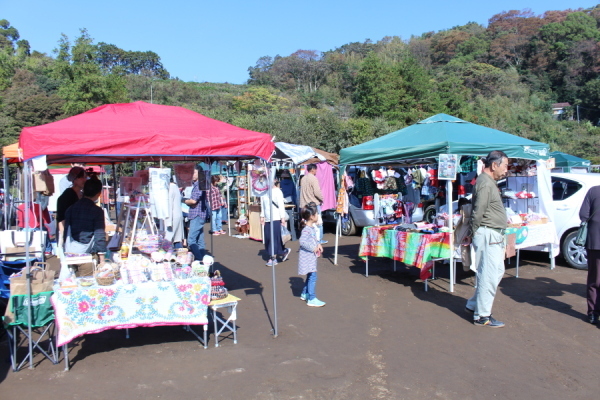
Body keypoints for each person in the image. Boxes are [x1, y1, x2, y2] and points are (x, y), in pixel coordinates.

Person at [464, 150, 509, 328]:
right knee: (489, 274)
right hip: (488, 233)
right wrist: (474, 232)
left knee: (495, 272)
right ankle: (482, 316)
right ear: (494, 165)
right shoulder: (485, 183)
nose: (507, 169)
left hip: (492, 234)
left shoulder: (488, 182)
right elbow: (478, 211)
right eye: (505, 165)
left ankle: (474, 304)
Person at [62, 177, 106, 264]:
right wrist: (102, 259)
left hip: (70, 253)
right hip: (88, 255)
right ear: (98, 194)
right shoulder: (97, 211)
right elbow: (99, 234)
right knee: (86, 277)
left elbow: (66, 232)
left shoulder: (71, 209)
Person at [579, 185, 600, 324]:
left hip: (595, 241)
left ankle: (593, 313)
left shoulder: (593, 191)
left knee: (595, 278)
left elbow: (583, 215)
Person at [298, 204, 325, 307]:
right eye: (317, 213)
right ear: (312, 216)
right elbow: (302, 242)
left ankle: (304, 293)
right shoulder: (306, 229)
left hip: (310, 258)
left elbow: (314, 239)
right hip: (307, 258)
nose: (318, 215)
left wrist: (318, 244)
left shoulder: (311, 228)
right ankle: (312, 298)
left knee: (310, 275)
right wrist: (313, 248)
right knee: (313, 276)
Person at [260, 178, 291, 266]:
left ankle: (273, 258)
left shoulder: (278, 191)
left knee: (274, 238)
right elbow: (263, 205)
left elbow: (281, 205)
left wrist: (282, 218)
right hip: (267, 218)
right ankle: (283, 251)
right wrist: (262, 216)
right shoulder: (264, 192)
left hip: (276, 218)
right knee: (268, 238)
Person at [56, 166, 87, 247]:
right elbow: (61, 218)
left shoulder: (81, 194)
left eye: (85, 177)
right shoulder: (67, 196)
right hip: (70, 234)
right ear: (75, 179)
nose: (85, 180)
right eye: (82, 177)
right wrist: (63, 237)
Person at [184, 167, 209, 261]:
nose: (192, 175)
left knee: (191, 240)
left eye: (194, 172)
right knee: (200, 240)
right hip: (198, 214)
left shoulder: (199, 185)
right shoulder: (198, 184)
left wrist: (183, 200)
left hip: (197, 214)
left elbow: (193, 201)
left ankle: (199, 259)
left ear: (199, 174)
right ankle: (203, 260)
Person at [299, 164, 326, 244]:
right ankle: (319, 239)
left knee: (306, 222)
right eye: (316, 170)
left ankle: (308, 237)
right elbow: (317, 192)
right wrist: (322, 199)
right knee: (318, 222)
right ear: (313, 169)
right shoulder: (314, 179)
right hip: (313, 203)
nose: (316, 171)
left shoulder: (303, 179)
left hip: (304, 203)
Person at [165, 179, 184, 249]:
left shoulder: (170, 188)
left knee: (168, 240)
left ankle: (174, 256)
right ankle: (180, 256)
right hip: (177, 215)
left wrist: (169, 221)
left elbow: (169, 204)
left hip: (172, 217)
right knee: (177, 239)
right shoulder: (175, 186)